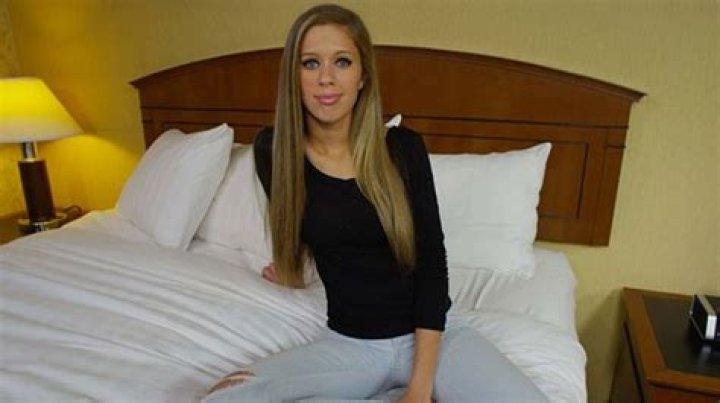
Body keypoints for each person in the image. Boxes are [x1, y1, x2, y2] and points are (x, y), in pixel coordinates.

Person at [204, 4, 547, 402]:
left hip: (435, 342)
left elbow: (432, 263)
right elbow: (304, 224)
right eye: (311, 63)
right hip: (351, 347)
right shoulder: (274, 151)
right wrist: (291, 269)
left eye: (342, 62)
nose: (326, 78)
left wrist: (419, 390)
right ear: (293, 76)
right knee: (225, 397)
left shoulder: (402, 149)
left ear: (363, 75)